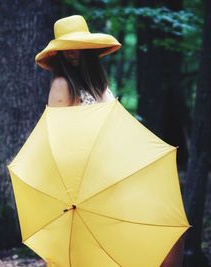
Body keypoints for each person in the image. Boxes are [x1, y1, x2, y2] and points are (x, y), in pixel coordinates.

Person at [34, 15, 185, 267]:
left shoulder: (99, 84)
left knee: (155, 229)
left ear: (88, 48)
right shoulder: (61, 85)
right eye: (66, 49)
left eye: (77, 46)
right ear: (59, 54)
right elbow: (59, 140)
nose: (72, 53)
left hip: (113, 169)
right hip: (86, 178)